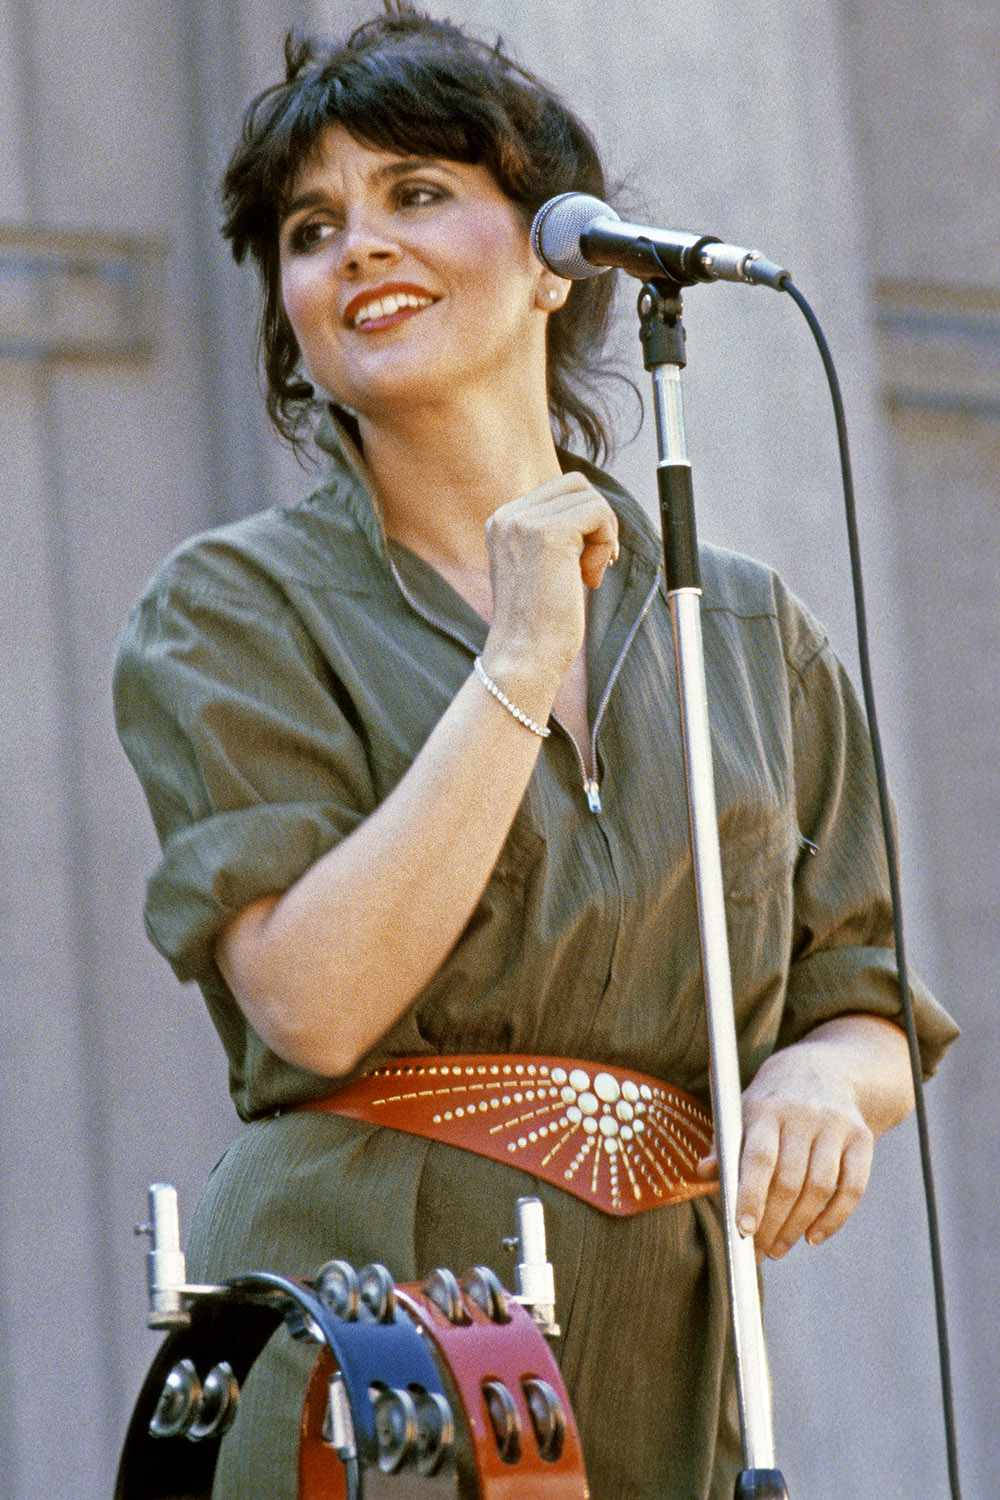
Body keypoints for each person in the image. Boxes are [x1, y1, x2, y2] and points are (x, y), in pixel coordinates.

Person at [113, 9, 958, 1497]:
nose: (359, 247)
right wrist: (515, 661)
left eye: (416, 192)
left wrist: (826, 1086)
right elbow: (311, 1003)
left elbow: (862, 997)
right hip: (369, 1340)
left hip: (672, 1341)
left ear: (558, 257)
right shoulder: (230, 607)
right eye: (311, 229)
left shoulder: (745, 626)